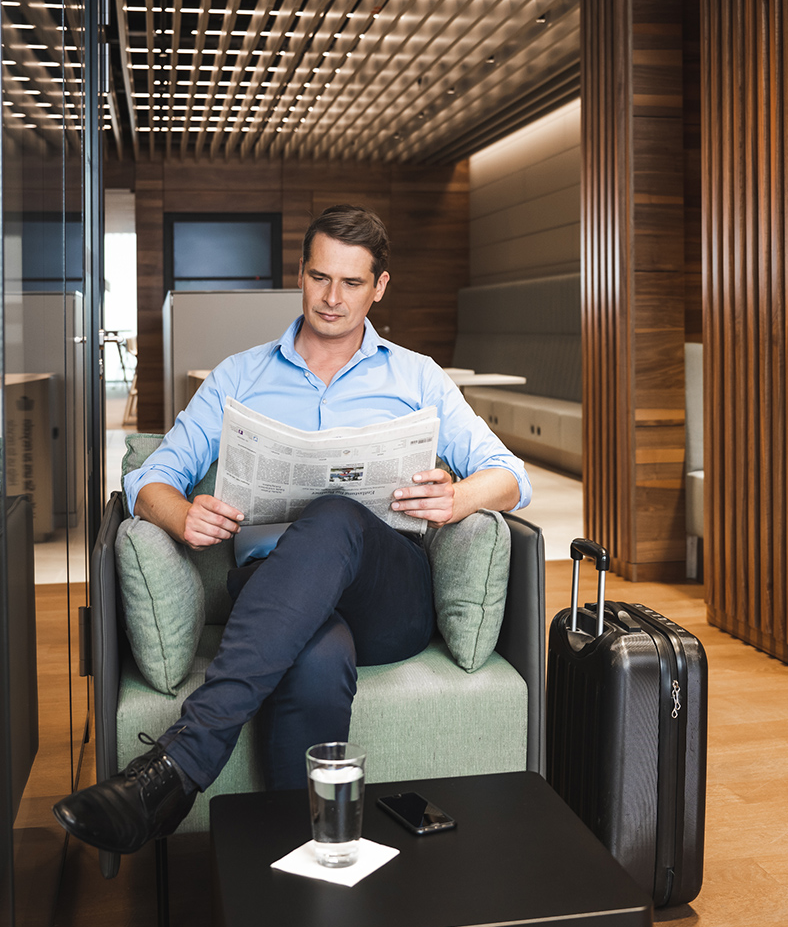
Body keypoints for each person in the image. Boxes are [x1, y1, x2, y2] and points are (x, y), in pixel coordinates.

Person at [53, 205, 530, 855]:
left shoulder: (416, 376)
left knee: (333, 513)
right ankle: (295, 878)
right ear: (299, 276)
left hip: (388, 594)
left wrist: (457, 497)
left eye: (352, 283)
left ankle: (181, 762)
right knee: (314, 655)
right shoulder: (240, 376)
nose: (333, 298)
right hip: (278, 592)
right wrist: (182, 514)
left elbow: (509, 475)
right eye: (319, 277)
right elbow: (149, 480)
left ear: (379, 287)